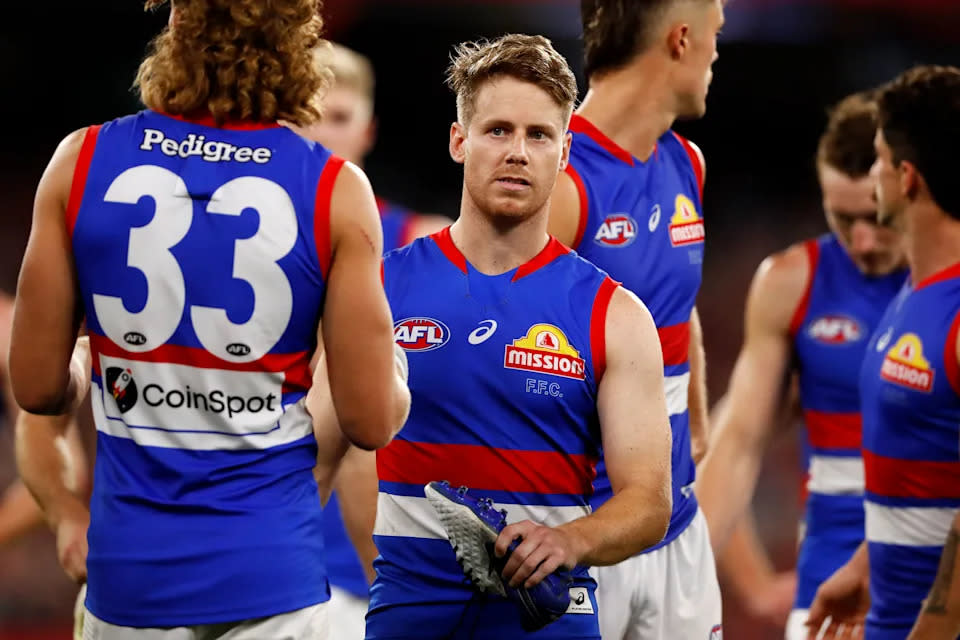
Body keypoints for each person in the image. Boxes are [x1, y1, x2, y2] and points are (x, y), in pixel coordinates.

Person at [8, 0, 410, 637]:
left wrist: (88, 363)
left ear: (175, 33)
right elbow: (368, 422)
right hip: (273, 575)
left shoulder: (80, 160)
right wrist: (395, 370)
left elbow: (35, 388)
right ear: (297, 49)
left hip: (129, 580)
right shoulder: (334, 187)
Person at [365, 34, 673, 639]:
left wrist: (567, 541)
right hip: (407, 612)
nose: (517, 152)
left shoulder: (615, 314)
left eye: (539, 135)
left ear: (564, 154)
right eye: (498, 130)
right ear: (460, 141)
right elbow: (331, 449)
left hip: (547, 622)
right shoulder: (380, 287)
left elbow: (648, 502)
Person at [695, 91, 909, 640]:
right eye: (842, 218)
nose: (861, 240)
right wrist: (687, 570)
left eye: (877, 219)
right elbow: (737, 438)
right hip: (828, 584)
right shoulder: (791, 282)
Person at [546, 0, 724, 636]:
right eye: (714, 36)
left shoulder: (687, 163)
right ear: (681, 40)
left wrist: (696, 428)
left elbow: (680, 308)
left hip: (678, 531)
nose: (715, 54)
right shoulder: (559, 181)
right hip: (577, 535)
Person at [288, 43, 448, 639]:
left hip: (363, 584)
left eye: (338, 117)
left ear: (369, 129)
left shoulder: (423, 249)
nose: (320, 135)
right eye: (307, 116)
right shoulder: (238, 243)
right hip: (253, 562)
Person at [805, 65, 960, 640]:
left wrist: (936, 625)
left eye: (877, 159)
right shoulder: (914, 295)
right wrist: (867, 567)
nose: (871, 176)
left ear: (907, 177)